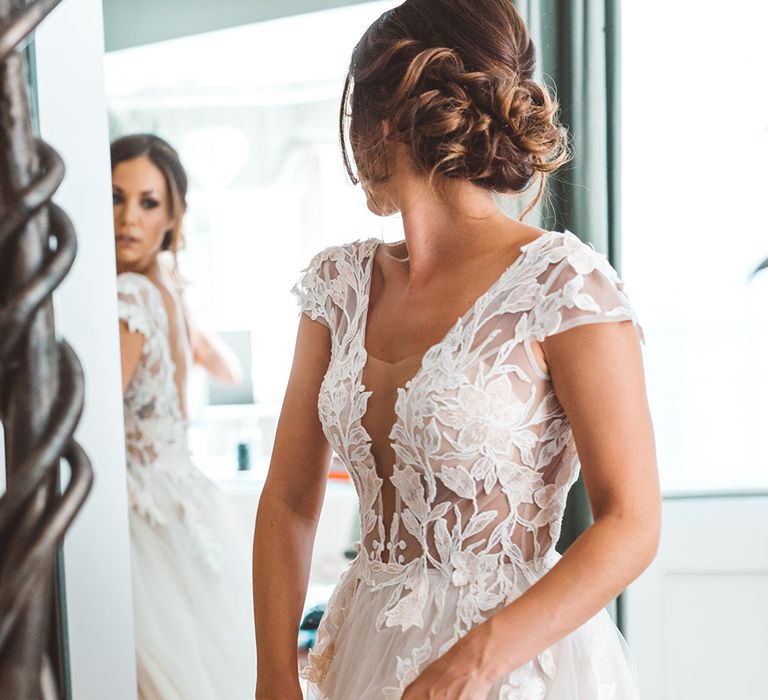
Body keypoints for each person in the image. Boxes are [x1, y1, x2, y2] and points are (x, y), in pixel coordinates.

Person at [252, 1, 660, 698]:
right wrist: (272, 677)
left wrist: (468, 666)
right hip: (361, 656)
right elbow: (290, 499)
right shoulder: (338, 285)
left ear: (382, 121)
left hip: (511, 668)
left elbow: (631, 521)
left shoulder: (562, 283)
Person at [112, 133, 255, 699]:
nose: (128, 216)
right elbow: (224, 367)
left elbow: (98, 421)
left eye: (148, 202)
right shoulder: (167, 289)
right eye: (115, 197)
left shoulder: (128, 295)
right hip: (181, 495)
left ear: (172, 216)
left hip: (141, 505)